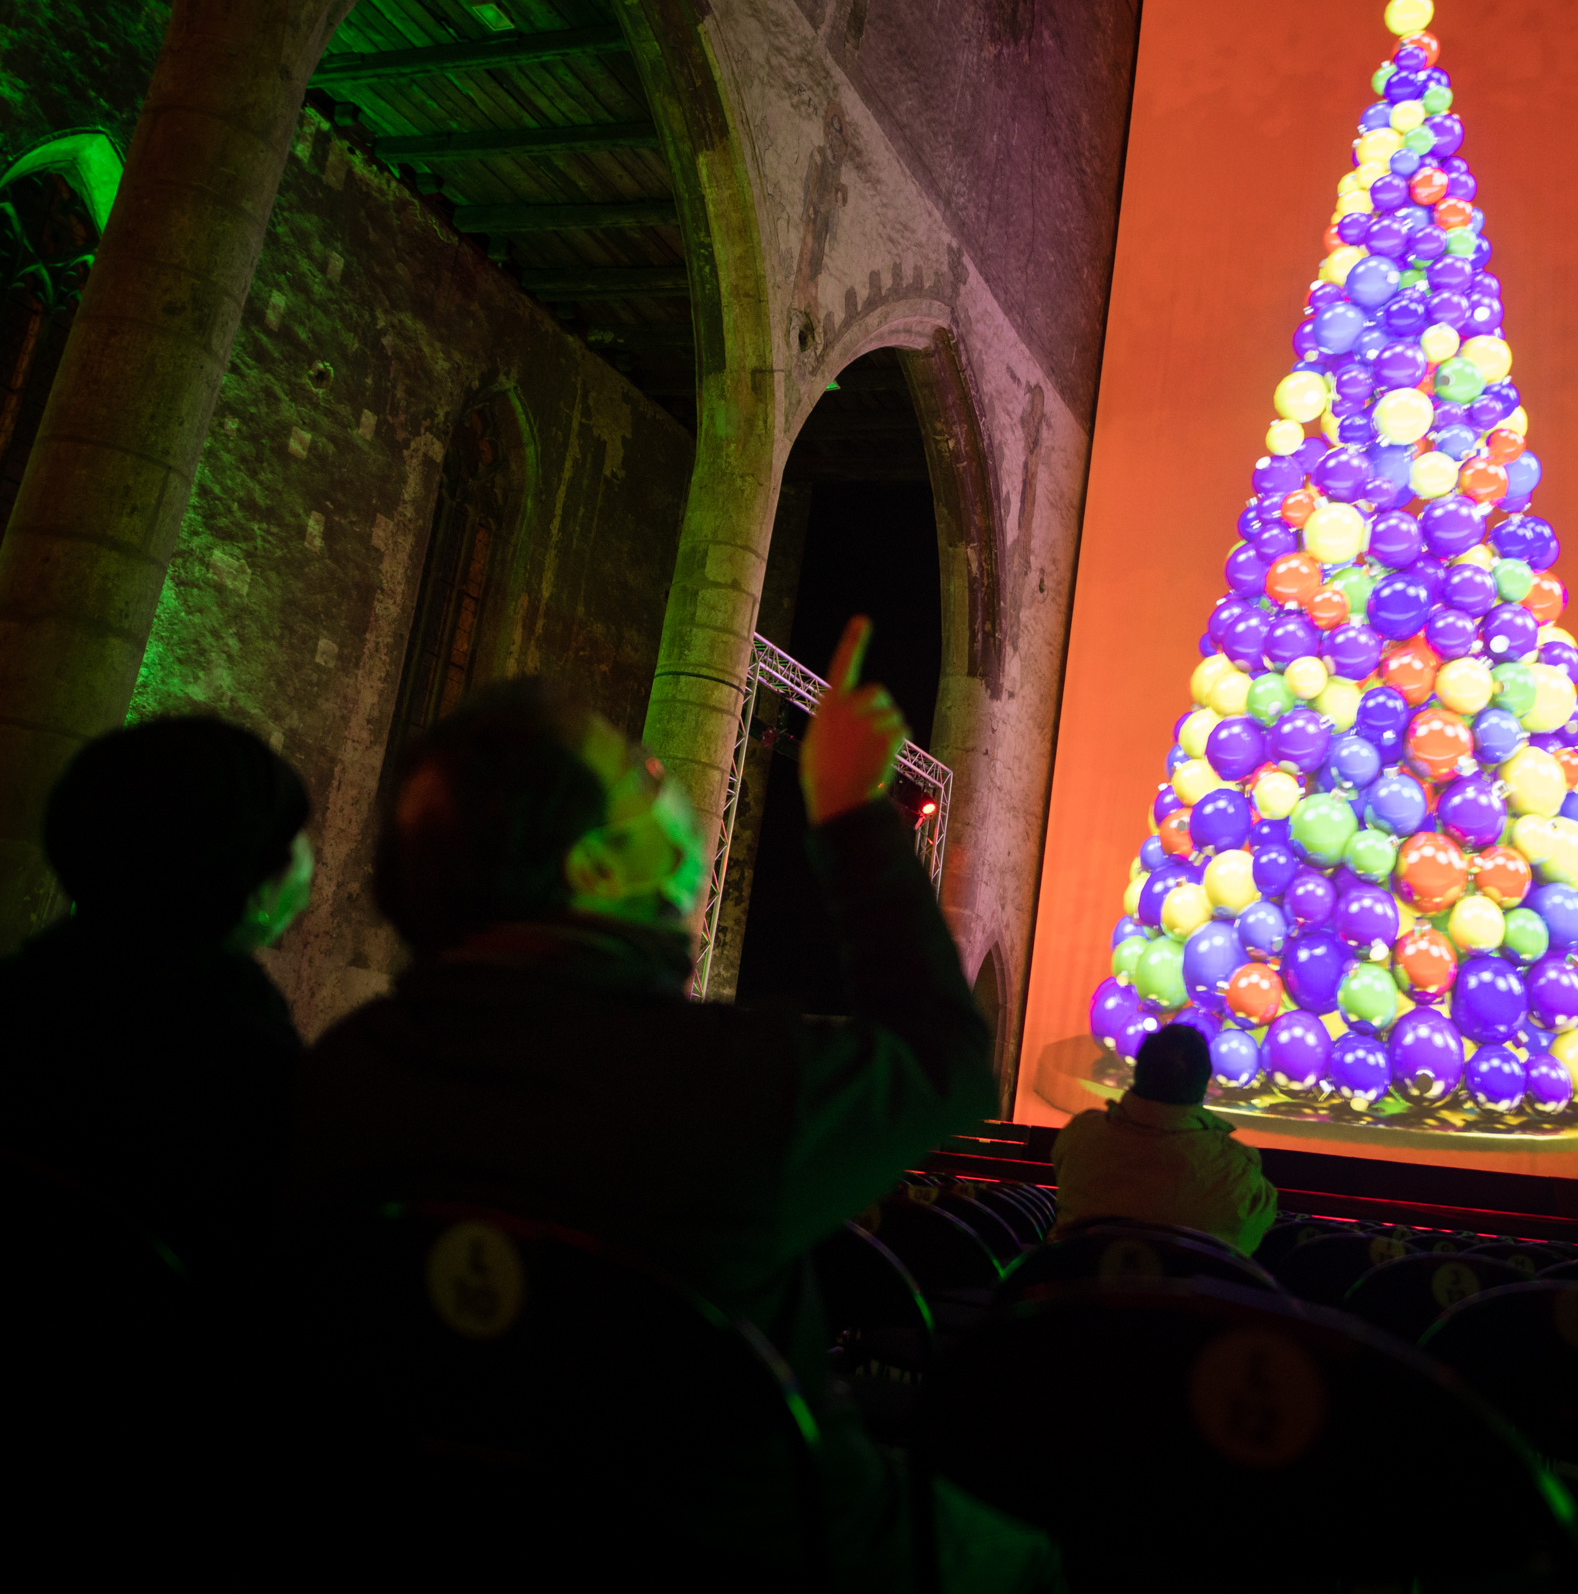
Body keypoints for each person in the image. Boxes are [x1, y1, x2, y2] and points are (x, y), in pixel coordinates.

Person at [289, 619, 1055, 1588]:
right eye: (646, 777)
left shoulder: (339, 1078)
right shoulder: (728, 1085)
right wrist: (846, 810)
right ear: (598, 870)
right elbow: (945, 1058)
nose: (677, 793)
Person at [0, 715, 314, 1272]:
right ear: (248, 879)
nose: (305, 863)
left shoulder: (22, 999)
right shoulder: (255, 1084)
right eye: (290, 841)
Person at [1050, 1024, 1279, 1256]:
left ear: (1137, 1071)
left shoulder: (1080, 1135)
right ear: (1205, 1082)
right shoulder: (1237, 1169)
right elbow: (1251, 1241)